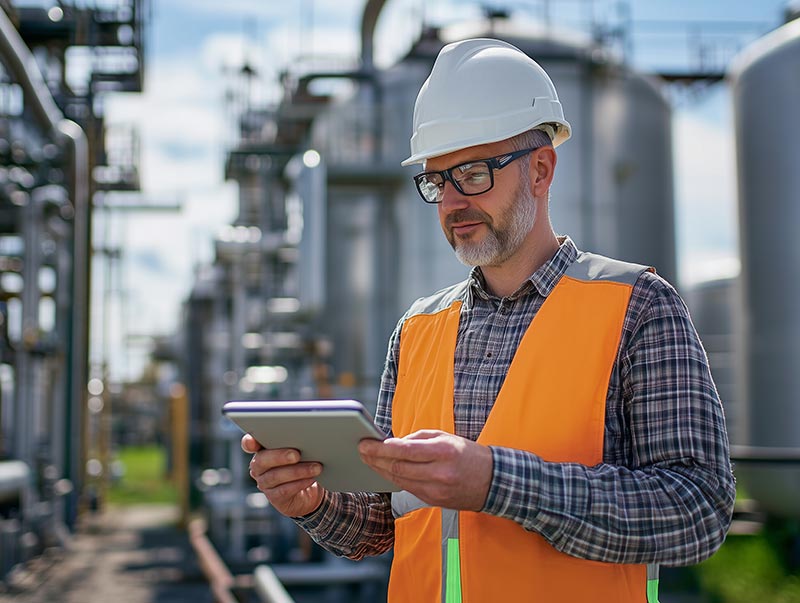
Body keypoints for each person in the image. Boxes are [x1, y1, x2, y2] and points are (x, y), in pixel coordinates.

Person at [243, 38, 735, 602]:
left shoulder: (638, 307)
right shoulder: (417, 329)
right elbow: (384, 522)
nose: (452, 203)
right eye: (436, 180)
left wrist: (498, 483)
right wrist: (314, 505)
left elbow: (697, 512)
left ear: (542, 169)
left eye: (473, 173)